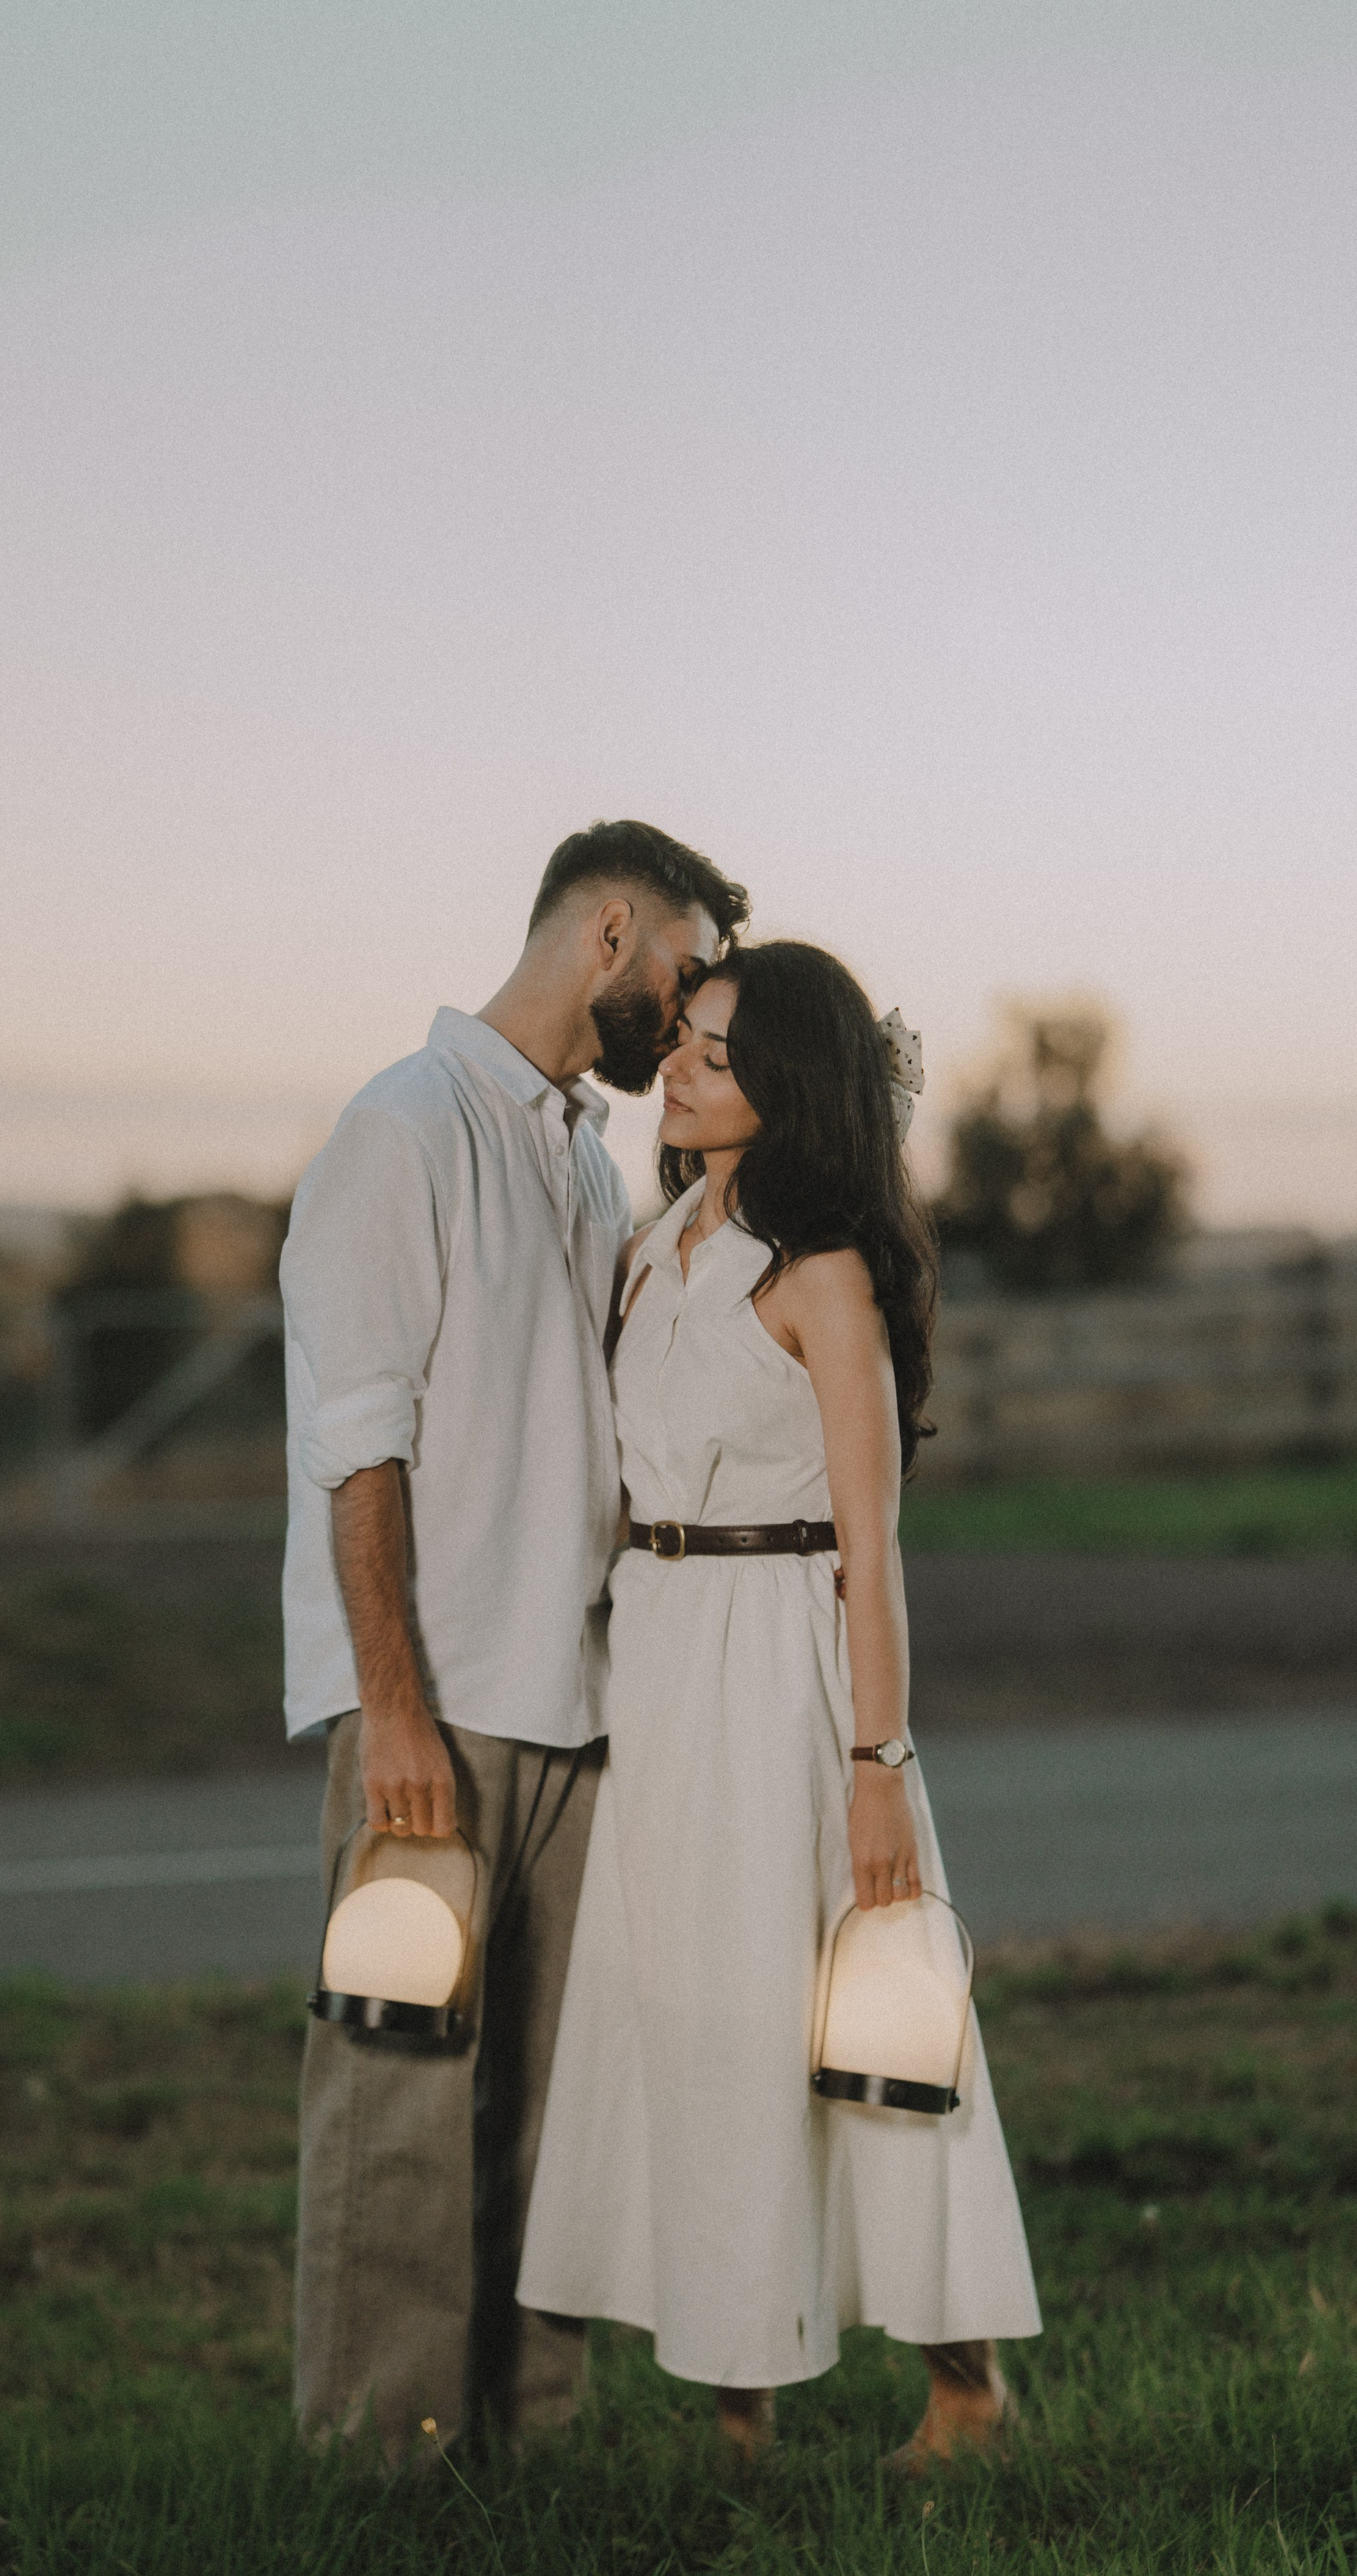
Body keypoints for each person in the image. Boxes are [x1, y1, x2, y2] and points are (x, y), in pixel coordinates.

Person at [517, 940, 1040, 2465]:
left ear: (789, 1091)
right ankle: (733, 2397)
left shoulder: (821, 1276)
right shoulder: (650, 1246)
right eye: (682, 1035)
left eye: (716, 1053)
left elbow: (869, 1552)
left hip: (792, 1674)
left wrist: (877, 1761)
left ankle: (965, 2388)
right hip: (664, 1653)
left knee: (852, 2011)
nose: (674, 1064)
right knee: (689, 2013)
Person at [279, 819, 749, 2464]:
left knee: (549, 2114)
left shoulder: (577, 1157)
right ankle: (375, 2472)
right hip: (437, 1703)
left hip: (573, 1704)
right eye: (684, 972)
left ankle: (526, 2451)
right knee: (400, 2099)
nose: (692, 1018)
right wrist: (390, 1709)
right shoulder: (400, 1134)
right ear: (607, 934)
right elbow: (361, 1446)